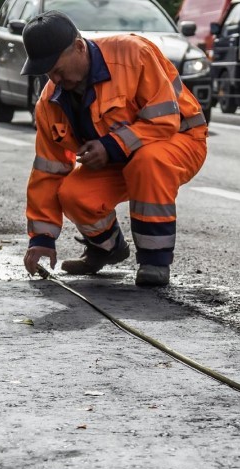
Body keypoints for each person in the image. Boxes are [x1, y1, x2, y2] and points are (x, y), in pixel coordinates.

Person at [20, 11, 208, 287]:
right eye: (49, 73)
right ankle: (108, 249)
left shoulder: (133, 54)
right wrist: (41, 240)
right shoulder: (50, 104)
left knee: (148, 161)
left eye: (58, 69)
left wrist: (110, 147)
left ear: (79, 47)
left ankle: (154, 262)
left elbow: (165, 120)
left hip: (179, 140)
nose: (55, 79)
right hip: (123, 158)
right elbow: (48, 170)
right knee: (73, 194)